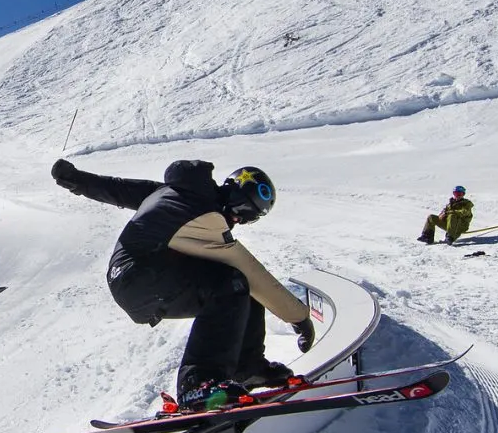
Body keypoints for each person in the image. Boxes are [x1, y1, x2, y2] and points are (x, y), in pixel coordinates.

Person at [51, 157, 315, 411]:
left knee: (238, 284)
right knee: (232, 281)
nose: (238, 221)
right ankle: (197, 384)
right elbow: (250, 268)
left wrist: (76, 180)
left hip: (137, 275)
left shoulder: (177, 193)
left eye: (249, 219)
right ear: (235, 198)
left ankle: (247, 367)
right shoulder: (207, 215)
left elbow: (119, 189)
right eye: (243, 213)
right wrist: (299, 317)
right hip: (139, 278)